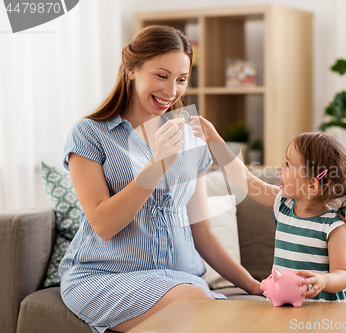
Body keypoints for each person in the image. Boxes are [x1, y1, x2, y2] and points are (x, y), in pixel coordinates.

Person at [59, 25, 262, 333]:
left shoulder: (190, 137)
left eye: (181, 79)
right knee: (194, 303)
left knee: (206, 305)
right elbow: (103, 224)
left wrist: (254, 286)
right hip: (104, 276)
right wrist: (158, 165)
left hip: (179, 280)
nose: (172, 91)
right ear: (131, 69)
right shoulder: (90, 134)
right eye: (161, 76)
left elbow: (202, 232)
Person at [192, 116, 346, 302]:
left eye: (288, 164)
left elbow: (342, 274)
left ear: (312, 185)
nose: (279, 168)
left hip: (327, 311)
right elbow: (243, 178)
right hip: (288, 305)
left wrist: (324, 280)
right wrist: (213, 138)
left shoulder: (334, 226)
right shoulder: (283, 205)